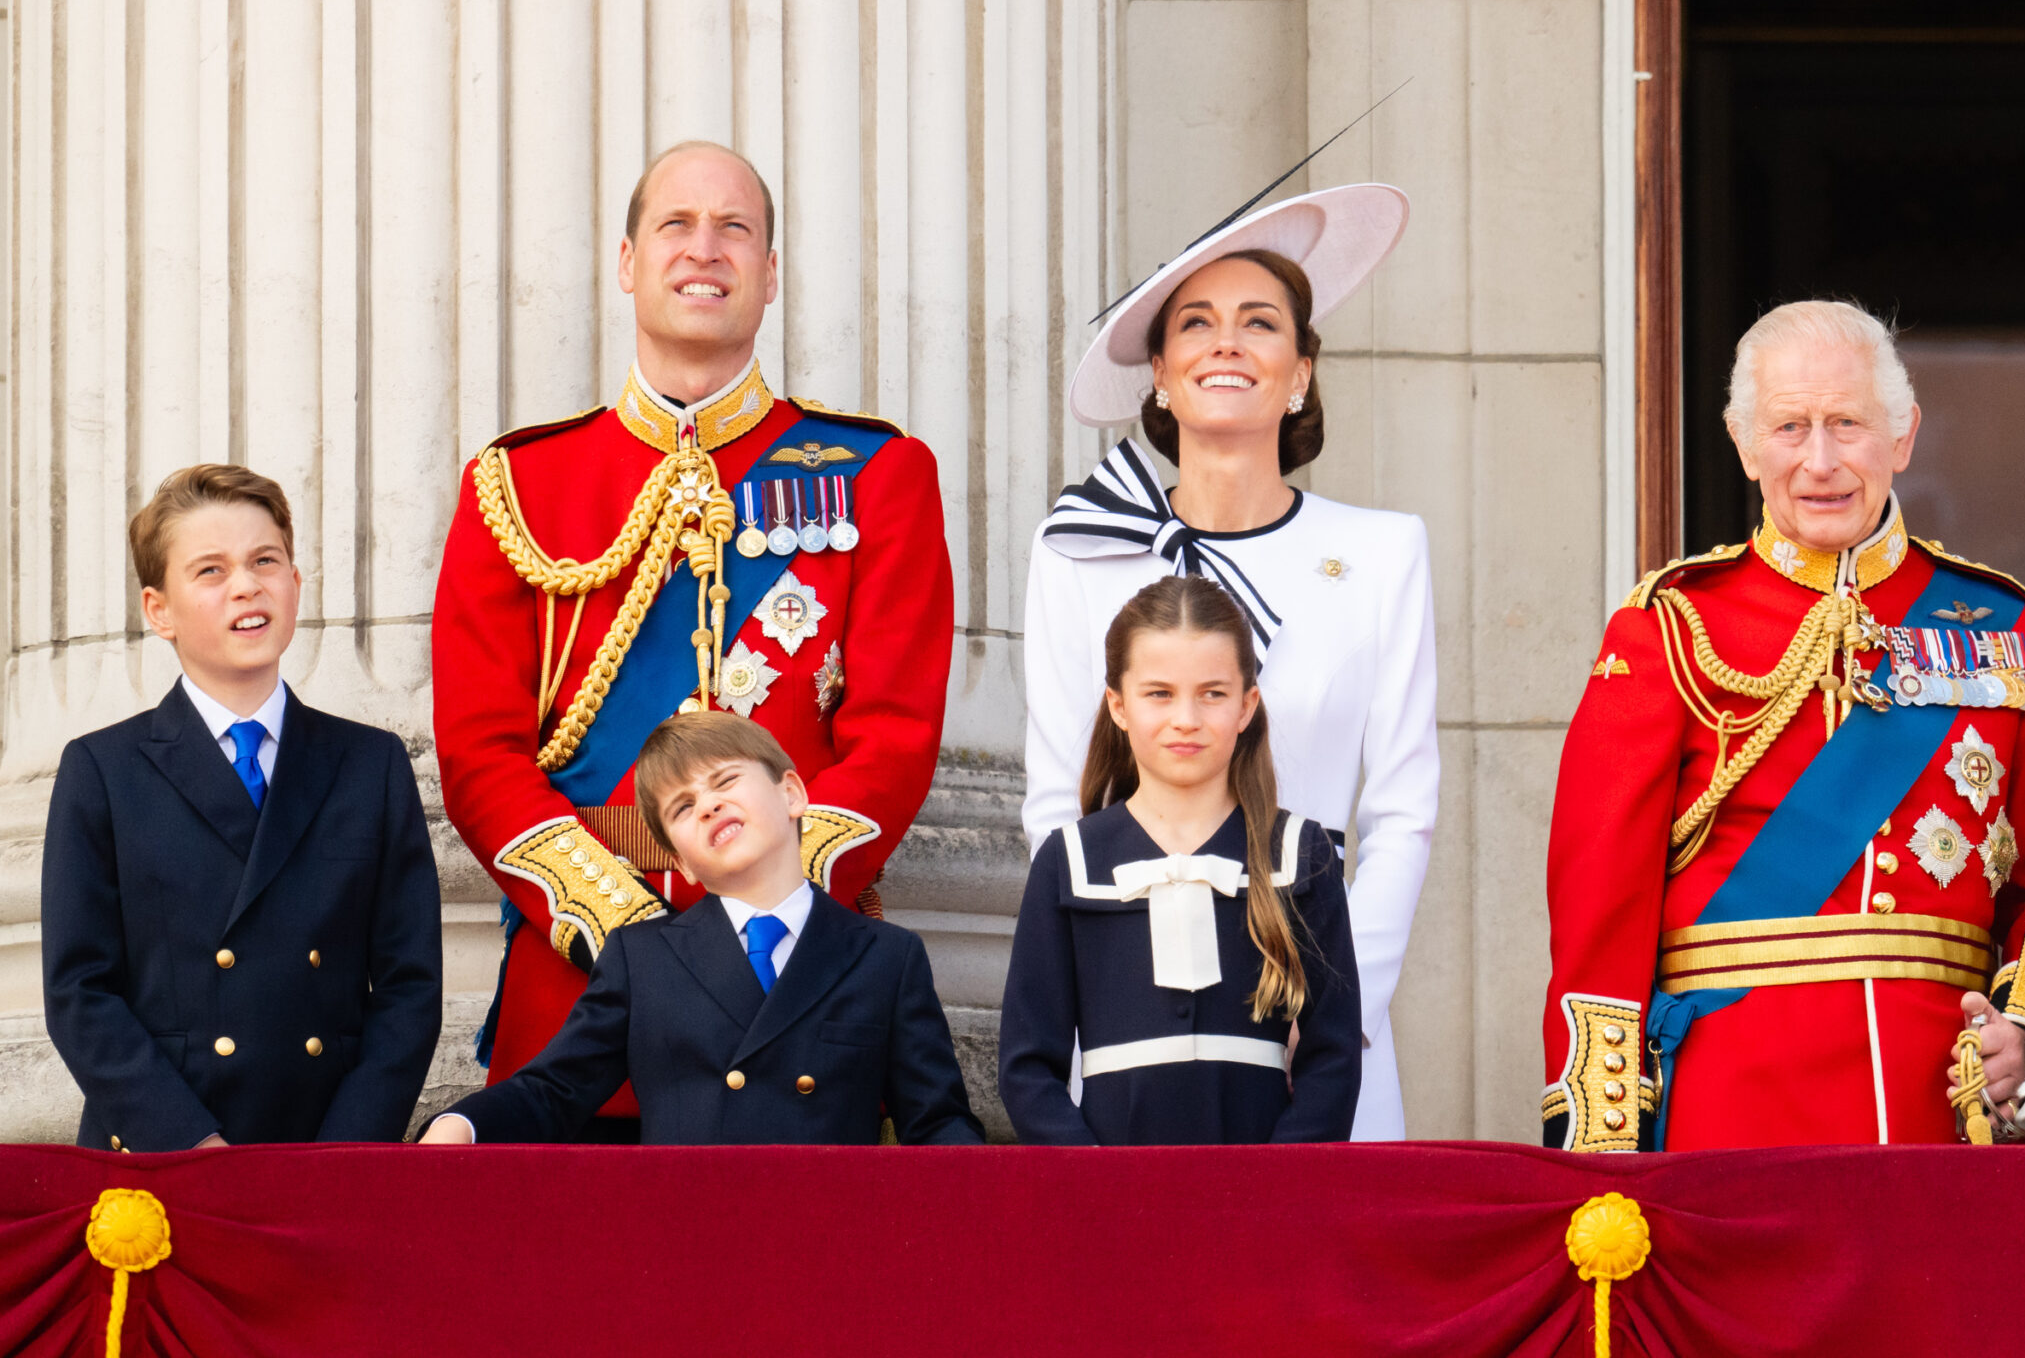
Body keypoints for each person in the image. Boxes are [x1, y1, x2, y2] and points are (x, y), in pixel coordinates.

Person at [431, 141, 955, 1135]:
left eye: (734, 228)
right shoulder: (517, 486)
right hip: (576, 987)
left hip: (798, 992)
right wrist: (624, 929)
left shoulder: (877, 473)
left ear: (768, 274)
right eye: (675, 224)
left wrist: (762, 911)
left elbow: (891, 742)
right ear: (628, 262)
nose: (702, 249)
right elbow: (477, 754)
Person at [1542, 300, 2025, 1150]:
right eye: (1789, 427)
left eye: (1848, 425)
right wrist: (1602, 1146)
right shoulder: (1671, 627)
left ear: (1902, 437)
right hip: (1728, 1105)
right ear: (1744, 443)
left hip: (1937, 1108)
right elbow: (1599, 908)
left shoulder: (2005, 627)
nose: (1820, 461)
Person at [1022, 183, 1432, 1140]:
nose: (1227, 343)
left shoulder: (1383, 551)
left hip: (1319, 996)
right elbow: (1055, 805)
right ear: (1158, 373)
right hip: (1129, 1003)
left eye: (1260, 323)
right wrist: (1102, 990)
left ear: (1299, 371)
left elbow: (1403, 812)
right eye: (1196, 324)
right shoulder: (1080, 550)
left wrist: (1337, 1010)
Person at [42, 465, 443, 1150]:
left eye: (266, 560)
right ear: (157, 609)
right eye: (210, 570)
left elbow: (410, 985)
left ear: (294, 581)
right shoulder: (102, 769)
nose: (247, 584)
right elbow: (80, 991)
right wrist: (188, 1144)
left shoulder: (370, 764)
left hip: (326, 1152)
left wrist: (344, 1152)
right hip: (162, 1155)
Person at [421, 715, 980, 1145]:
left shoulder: (885, 955)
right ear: (681, 863)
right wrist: (462, 1124)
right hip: (684, 1243)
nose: (710, 805)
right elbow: (556, 1089)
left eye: (725, 781)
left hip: (831, 1245)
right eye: (683, 808)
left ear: (792, 794)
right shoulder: (643, 960)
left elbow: (936, 1120)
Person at [1000, 576, 1360, 1144]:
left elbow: (1333, 1055)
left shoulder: (1299, 854)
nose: (1186, 718)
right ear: (1118, 705)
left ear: (1247, 706)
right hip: (1110, 1205)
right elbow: (1026, 1069)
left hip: (1262, 1204)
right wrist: (1091, 1183)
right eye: (1159, 693)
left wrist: (1280, 1187)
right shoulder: (1067, 861)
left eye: (1213, 693)